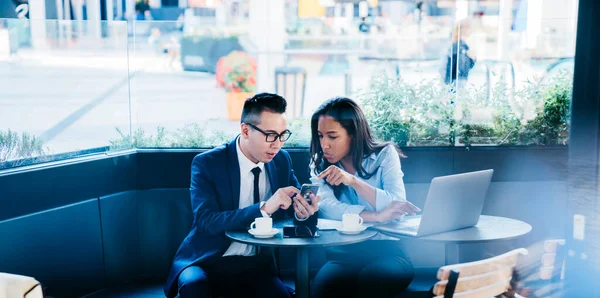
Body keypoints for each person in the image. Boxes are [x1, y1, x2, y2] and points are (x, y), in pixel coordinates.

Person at [164, 93, 320, 298]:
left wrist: (303, 211)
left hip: (256, 265)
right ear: (245, 130)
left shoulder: (281, 160)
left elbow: (292, 204)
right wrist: (264, 208)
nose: (277, 144)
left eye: (283, 135)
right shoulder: (208, 163)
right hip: (207, 261)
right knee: (194, 287)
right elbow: (205, 221)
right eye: (270, 135)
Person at [309, 97, 421, 298]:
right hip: (344, 254)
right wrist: (376, 217)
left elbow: (397, 206)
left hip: (388, 251)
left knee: (373, 279)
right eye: (320, 136)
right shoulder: (319, 163)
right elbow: (326, 207)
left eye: (332, 137)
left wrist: (354, 181)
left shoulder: (385, 154)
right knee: (321, 290)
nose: (324, 145)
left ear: (353, 134)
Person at [444, 20, 476, 88]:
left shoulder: (464, 46)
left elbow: (468, 66)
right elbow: (451, 65)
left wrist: (472, 59)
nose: (471, 30)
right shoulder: (458, 45)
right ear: (463, 29)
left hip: (460, 79)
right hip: (457, 80)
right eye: (469, 28)